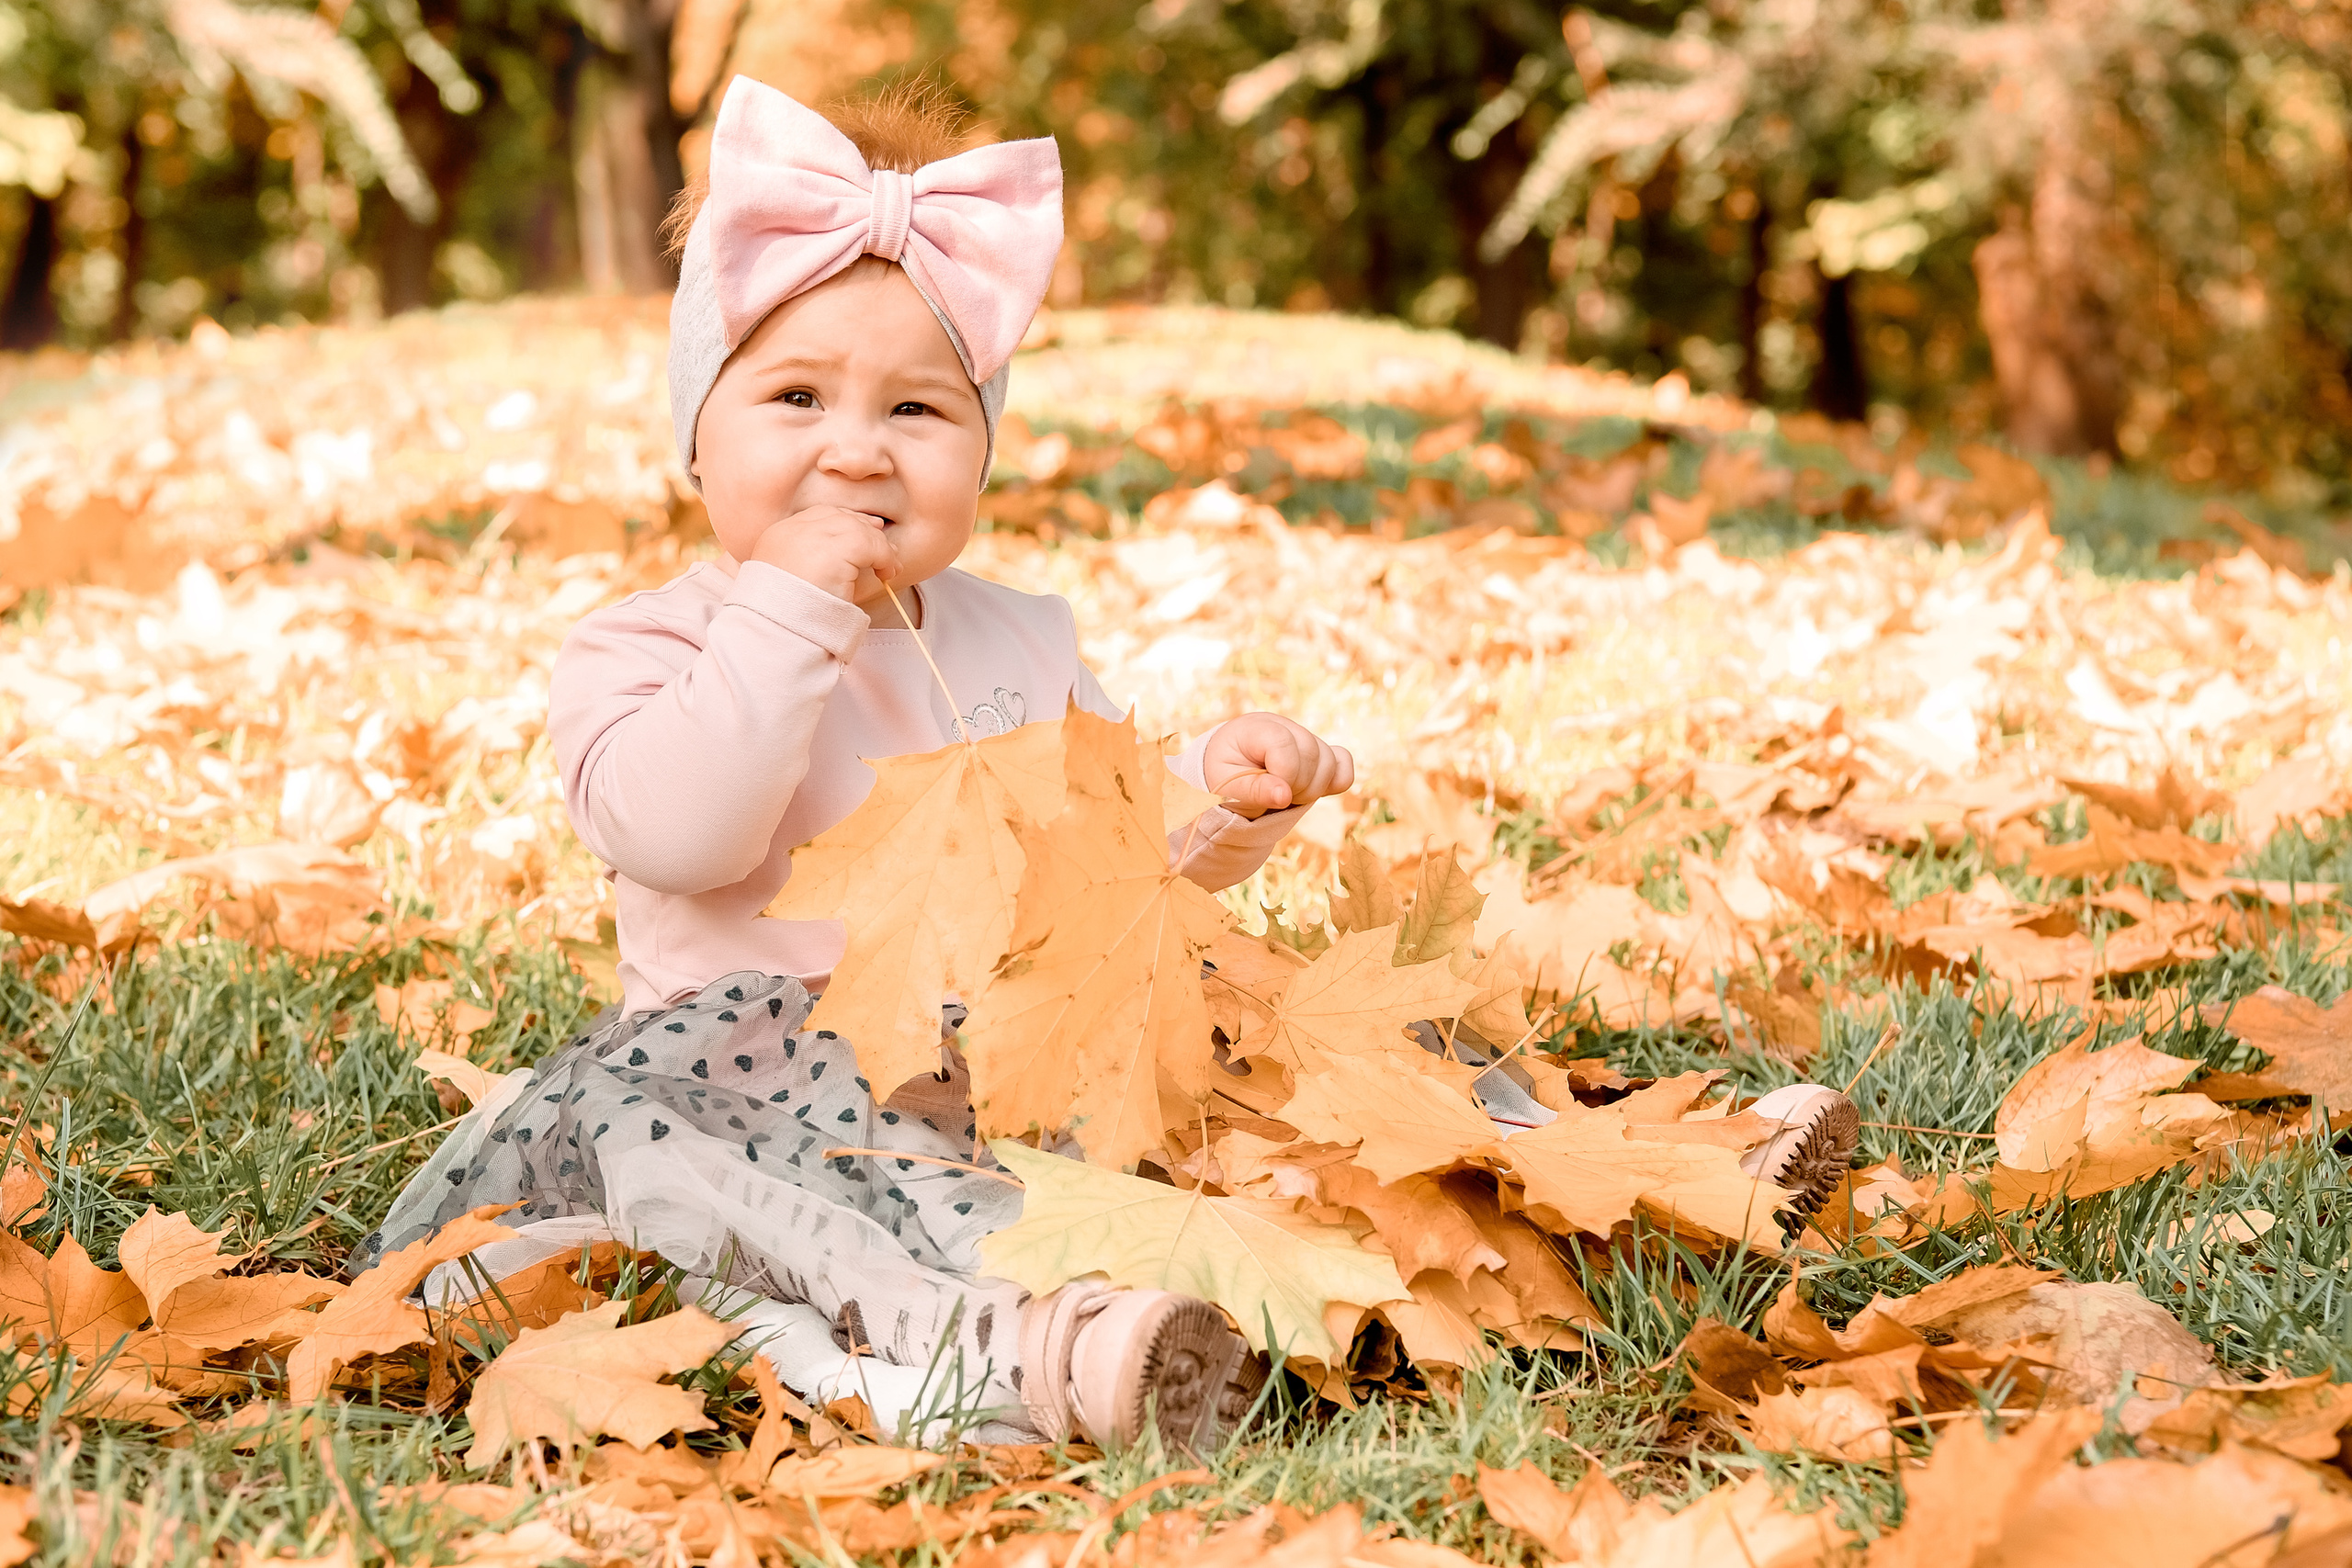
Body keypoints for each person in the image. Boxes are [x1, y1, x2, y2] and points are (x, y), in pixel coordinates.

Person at [361, 76, 1859, 1454]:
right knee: (781, 1222)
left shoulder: (1012, 634)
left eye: (920, 409)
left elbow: (1112, 863)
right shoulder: (644, 650)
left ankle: (1635, 1178)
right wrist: (791, 611)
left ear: (982, 451)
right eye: (796, 399)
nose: (862, 450)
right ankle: (1043, 1358)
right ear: (699, 441)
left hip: (1038, 1046)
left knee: (1301, 1072)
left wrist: (1224, 793)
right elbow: (685, 834)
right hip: (767, 1075)